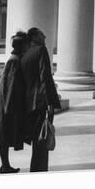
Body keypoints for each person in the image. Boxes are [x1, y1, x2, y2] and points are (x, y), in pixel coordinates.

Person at [0, 31, 28, 173]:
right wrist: (9, 107)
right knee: (3, 134)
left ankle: (5, 165)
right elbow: (10, 84)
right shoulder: (15, 60)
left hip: (5, 100)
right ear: (22, 46)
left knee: (4, 135)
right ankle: (5, 165)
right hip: (5, 101)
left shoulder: (15, 58)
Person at [21, 27, 61, 172]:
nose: (45, 36)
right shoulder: (41, 50)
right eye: (42, 34)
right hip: (40, 102)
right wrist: (50, 102)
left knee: (36, 139)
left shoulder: (25, 54)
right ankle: (39, 170)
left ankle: (35, 168)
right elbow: (45, 78)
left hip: (29, 103)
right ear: (35, 37)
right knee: (42, 138)